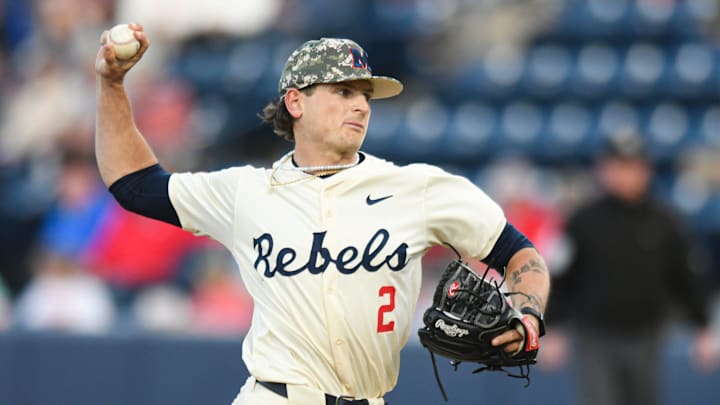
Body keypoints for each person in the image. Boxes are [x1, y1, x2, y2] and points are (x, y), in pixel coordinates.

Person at [95, 24, 551, 405]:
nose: (361, 105)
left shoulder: (419, 188)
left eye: (366, 95)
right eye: (343, 90)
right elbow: (134, 184)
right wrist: (112, 86)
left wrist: (529, 315)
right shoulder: (245, 192)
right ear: (296, 103)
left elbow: (518, 254)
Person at [547, 130, 719, 405]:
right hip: (594, 337)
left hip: (647, 335)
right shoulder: (583, 221)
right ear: (603, 170)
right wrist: (552, 325)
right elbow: (561, 275)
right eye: (618, 166)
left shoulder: (665, 221)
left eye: (632, 166)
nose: (625, 175)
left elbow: (686, 276)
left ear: (646, 170)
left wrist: (702, 326)